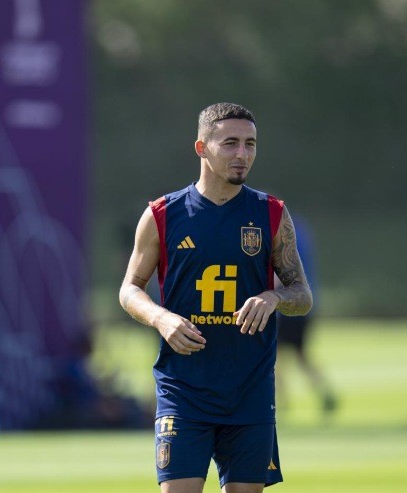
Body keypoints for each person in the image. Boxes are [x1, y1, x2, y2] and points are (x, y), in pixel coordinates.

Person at [119, 102, 312, 493]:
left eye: (250, 144)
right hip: (184, 389)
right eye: (230, 143)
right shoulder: (162, 214)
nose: (242, 154)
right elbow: (129, 289)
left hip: (250, 391)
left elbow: (302, 295)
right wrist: (161, 318)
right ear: (201, 148)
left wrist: (273, 298)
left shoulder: (271, 214)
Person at [275, 215, 337, 416]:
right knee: (300, 354)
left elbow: (281, 269)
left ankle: (280, 402)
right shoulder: (300, 230)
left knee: (273, 354)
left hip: (286, 304)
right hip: (306, 302)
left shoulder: (279, 232)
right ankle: (323, 390)